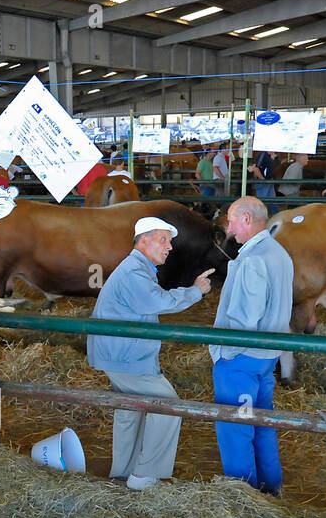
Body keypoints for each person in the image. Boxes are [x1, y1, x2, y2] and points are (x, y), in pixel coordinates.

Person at [87, 216, 215, 490]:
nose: (169, 247)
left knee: (129, 409)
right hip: (125, 356)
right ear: (143, 240)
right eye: (163, 240)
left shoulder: (137, 269)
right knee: (169, 405)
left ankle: (123, 472)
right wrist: (195, 292)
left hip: (119, 353)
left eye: (169, 241)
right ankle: (144, 476)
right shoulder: (134, 271)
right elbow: (157, 301)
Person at [209, 196, 294, 495]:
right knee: (262, 423)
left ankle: (242, 498)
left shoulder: (253, 259)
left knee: (236, 429)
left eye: (232, 221)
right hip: (267, 356)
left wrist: (225, 353)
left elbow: (246, 318)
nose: (229, 228)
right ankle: (271, 488)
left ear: (246, 219)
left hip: (241, 358)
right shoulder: (279, 253)